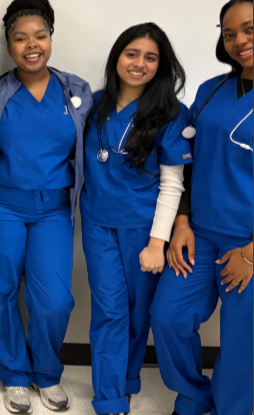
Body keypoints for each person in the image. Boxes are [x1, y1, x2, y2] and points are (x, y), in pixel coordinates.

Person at [0, 0, 92, 413]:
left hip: (54, 210)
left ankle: (46, 372)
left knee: (55, 299)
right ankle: (14, 374)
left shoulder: (75, 91)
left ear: (51, 38)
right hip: (3, 205)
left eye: (39, 35)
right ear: (8, 46)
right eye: (21, 38)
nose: (31, 45)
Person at [150, 0, 253, 415]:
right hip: (200, 233)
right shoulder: (212, 90)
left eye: (249, 29)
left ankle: (232, 408)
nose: (239, 41)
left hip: (246, 243)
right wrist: (183, 222)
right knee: (169, 316)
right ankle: (194, 396)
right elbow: (190, 161)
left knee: (242, 342)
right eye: (229, 33)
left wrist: (250, 252)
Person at [81, 23, 191, 415]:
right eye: (131, 53)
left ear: (161, 65)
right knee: (110, 310)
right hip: (97, 225)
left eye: (150, 57)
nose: (139, 63)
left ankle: (126, 381)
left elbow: (173, 183)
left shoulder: (170, 114)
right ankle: (110, 401)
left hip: (145, 229)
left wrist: (157, 243)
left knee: (138, 313)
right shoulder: (92, 105)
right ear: (116, 57)